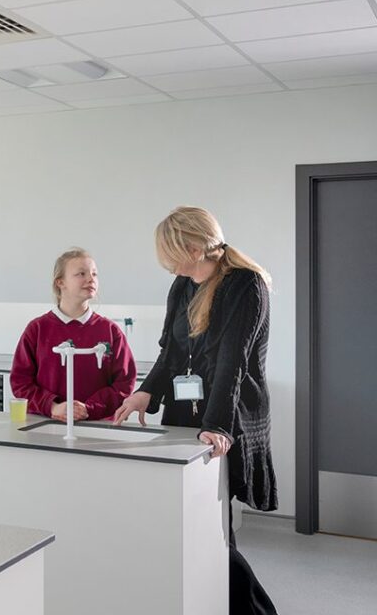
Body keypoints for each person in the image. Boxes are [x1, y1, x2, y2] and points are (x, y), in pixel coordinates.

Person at [112, 207, 277, 614]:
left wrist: (218, 425)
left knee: (213, 527)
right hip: (187, 411)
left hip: (228, 413)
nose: (169, 267)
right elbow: (171, 352)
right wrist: (145, 393)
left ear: (194, 246)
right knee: (194, 521)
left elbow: (232, 361)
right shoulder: (183, 286)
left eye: (172, 256)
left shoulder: (245, 285)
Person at [9, 248, 136, 422]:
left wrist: (89, 409)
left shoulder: (110, 331)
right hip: (46, 424)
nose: (90, 279)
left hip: (98, 427)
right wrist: (52, 407)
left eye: (94, 274)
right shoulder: (37, 329)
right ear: (60, 282)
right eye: (81, 274)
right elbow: (20, 381)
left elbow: (124, 383)